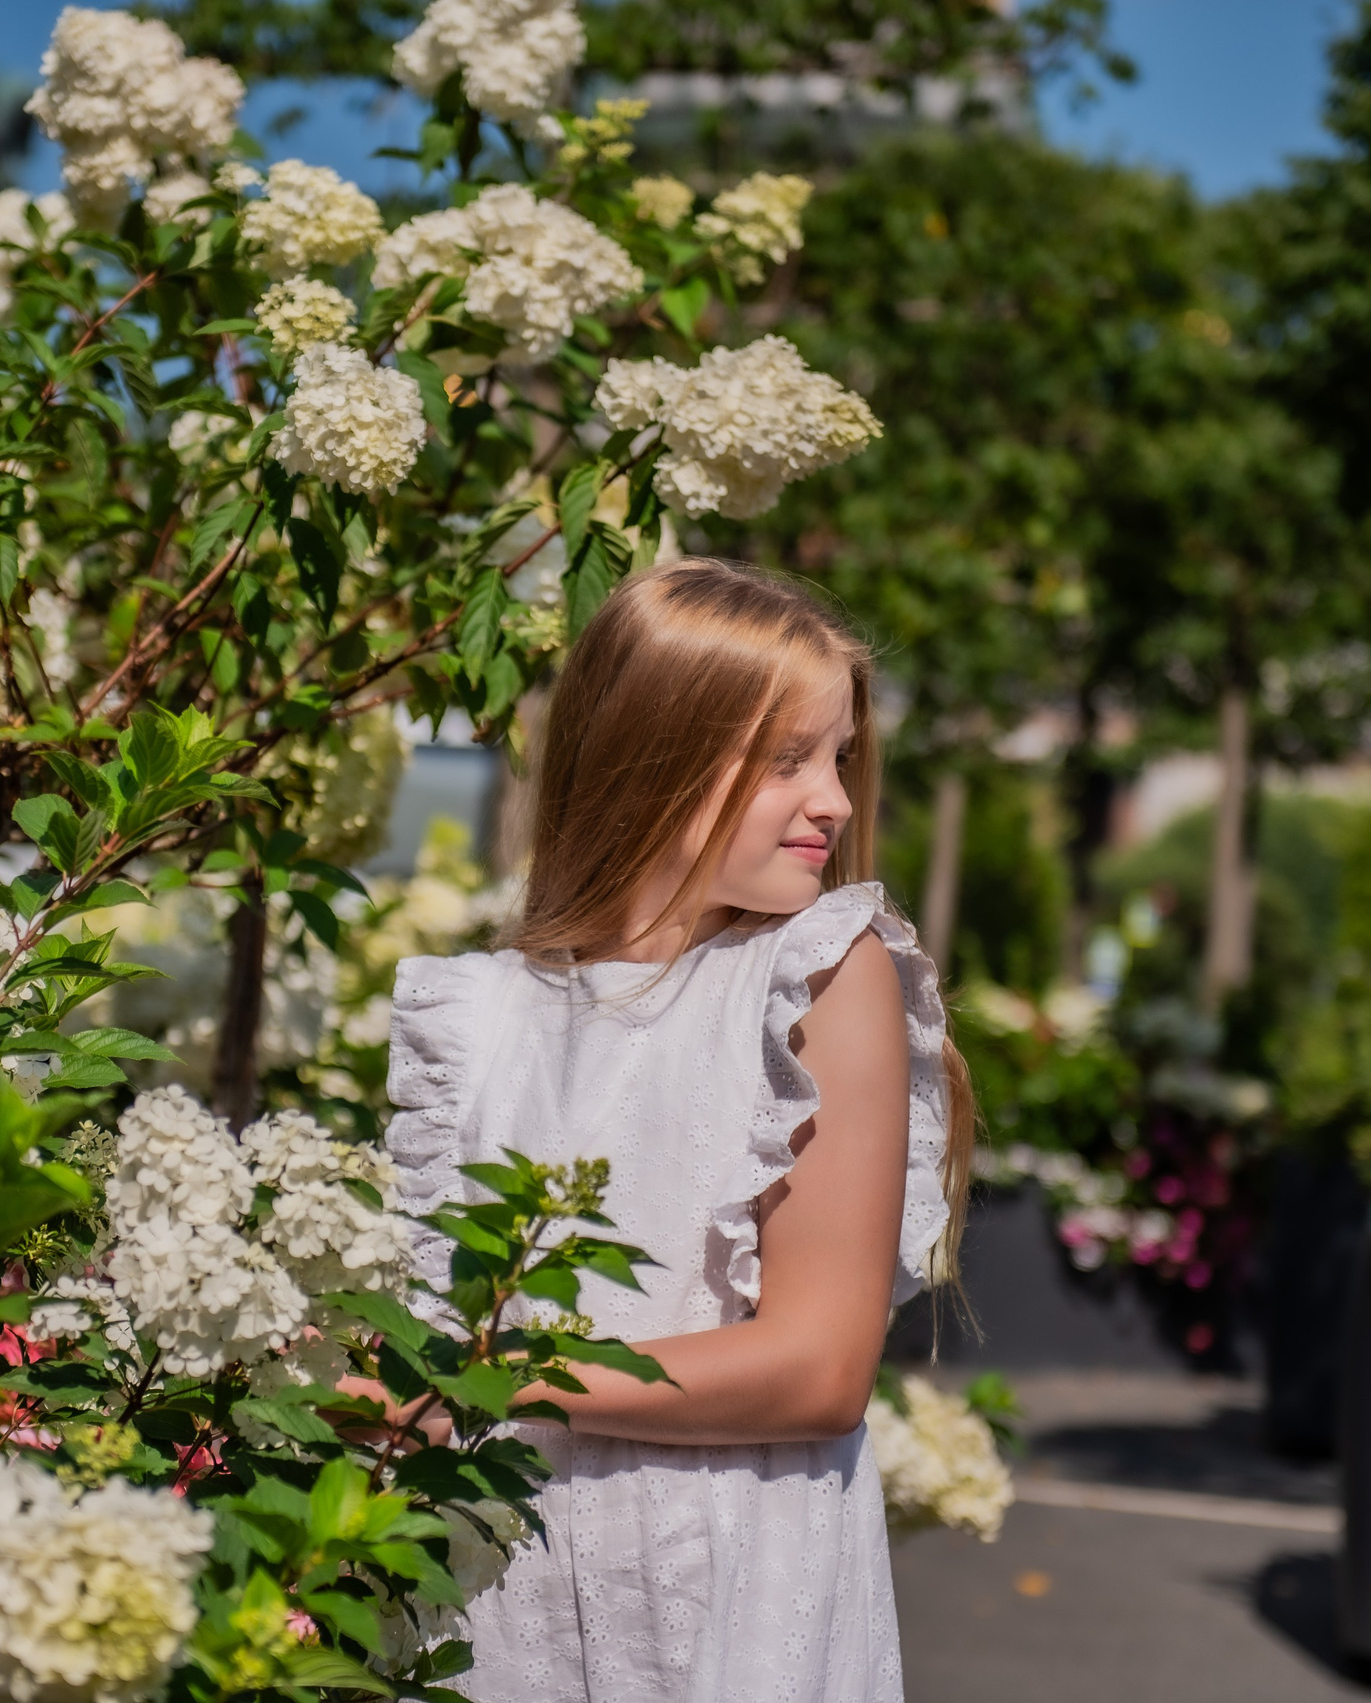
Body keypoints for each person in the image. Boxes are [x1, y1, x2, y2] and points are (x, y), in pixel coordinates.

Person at [373, 560, 976, 1702]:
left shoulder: (811, 975)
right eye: (786, 758)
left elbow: (818, 1367)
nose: (836, 801)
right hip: (499, 1598)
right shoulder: (486, 1016)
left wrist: (490, 1376)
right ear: (653, 752)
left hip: (728, 1605)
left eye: (837, 755)